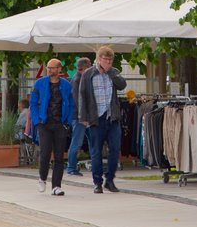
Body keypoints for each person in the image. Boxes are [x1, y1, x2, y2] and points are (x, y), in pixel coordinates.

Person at [78, 46, 127, 194]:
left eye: (110, 60)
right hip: (96, 118)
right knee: (96, 151)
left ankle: (110, 180)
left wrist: (111, 72)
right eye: (105, 59)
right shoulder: (88, 74)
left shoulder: (114, 73)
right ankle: (97, 182)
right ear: (99, 59)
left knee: (115, 149)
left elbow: (122, 85)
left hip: (112, 117)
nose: (108, 62)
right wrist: (84, 117)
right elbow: (83, 96)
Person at [30, 58, 73, 196]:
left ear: (59, 69)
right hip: (44, 124)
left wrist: (68, 121)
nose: (50, 70)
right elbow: (33, 103)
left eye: (53, 68)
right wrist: (37, 121)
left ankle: (56, 186)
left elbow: (72, 104)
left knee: (59, 156)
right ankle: (42, 178)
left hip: (60, 124)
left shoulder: (66, 85)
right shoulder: (40, 83)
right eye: (48, 67)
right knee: (45, 153)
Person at [66, 57, 92, 176]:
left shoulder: (80, 78)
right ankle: (71, 167)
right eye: (90, 65)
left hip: (80, 116)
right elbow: (78, 100)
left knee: (89, 141)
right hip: (79, 116)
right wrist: (84, 117)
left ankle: (73, 166)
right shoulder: (78, 80)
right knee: (76, 142)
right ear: (86, 66)